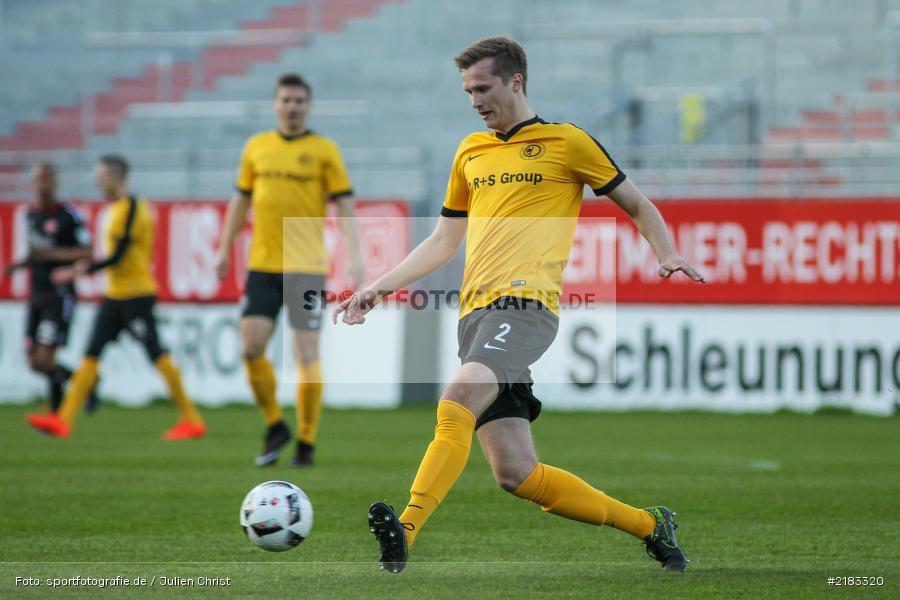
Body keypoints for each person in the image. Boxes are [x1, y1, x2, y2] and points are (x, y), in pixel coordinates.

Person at [334, 37, 705, 573]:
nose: (474, 100)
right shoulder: (470, 151)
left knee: (456, 400)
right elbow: (443, 240)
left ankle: (406, 531)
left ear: (516, 82)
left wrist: (666, 253)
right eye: (467, 91)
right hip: (474, 316)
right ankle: (650, 525)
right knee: (517, 474)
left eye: (482, 88)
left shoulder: (568, 142)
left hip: (526, 308)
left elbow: (638, 204)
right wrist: (378, 287)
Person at [216, 73, 363, 467]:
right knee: (250, 348)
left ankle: (307, 441)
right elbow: (240, 201)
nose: (292, 106)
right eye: (286, 100)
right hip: (262, 264)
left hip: (307, 266)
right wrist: (224, 248)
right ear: (276, 104)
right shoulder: (257, 148)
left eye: (299, 100)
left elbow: (345, 205)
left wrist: (356, 256)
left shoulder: (324, 150)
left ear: (308, 106)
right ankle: (275, 425)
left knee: (306, 353)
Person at [27, 155, 206, 440]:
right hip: (114, 295)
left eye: (100, 175)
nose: (96, 181)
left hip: (135, 294)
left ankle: (192, 418)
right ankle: (63, 420)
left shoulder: (133, 208)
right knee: (91, 355)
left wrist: (78, 270)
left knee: (156, 353)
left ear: (115, 176)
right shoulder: (115, 209)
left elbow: (118, 255)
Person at [4, 162, 97, 412]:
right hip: (36, 293)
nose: (42, 184)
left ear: (55, 183)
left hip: (59, 295)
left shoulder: (68, 215)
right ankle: (84, 383)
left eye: (47, 179)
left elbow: (88, 251)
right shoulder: (31, 214)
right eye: (38, 179)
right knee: (34, 362)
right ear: (32, 183)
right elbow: (36, 253)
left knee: (46, 358)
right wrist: (18, 265)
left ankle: (55, 411)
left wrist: (54, 255)